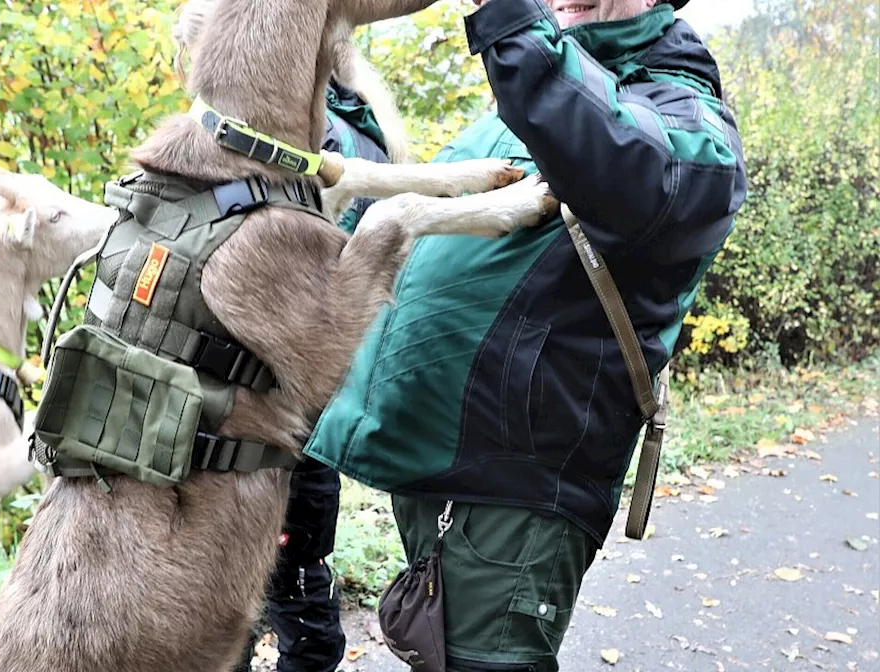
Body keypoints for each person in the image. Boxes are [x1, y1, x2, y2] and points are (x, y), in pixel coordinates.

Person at [304, 0, 748, 670]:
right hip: (434, 465)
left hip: (510, 483)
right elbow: (390, 224)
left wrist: (511, 27)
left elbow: (633, 169)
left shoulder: (681, 117)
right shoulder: (519, 116)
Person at [168, 3, 405, 671]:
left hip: (289, 396)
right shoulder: (218, 151)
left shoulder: (329, 144)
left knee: (293, 576)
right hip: (248, 397)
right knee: (263, 582)